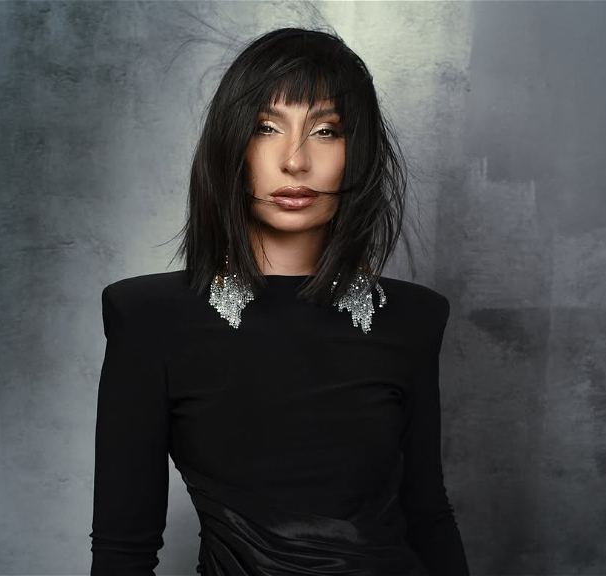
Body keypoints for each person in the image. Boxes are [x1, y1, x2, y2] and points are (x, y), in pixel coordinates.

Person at [89, 27, 470, 576]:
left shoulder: (413, 318)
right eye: (266, 127)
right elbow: (123, 552)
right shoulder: (148, 318)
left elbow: (428, 515)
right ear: (231, 145)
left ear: (357, 152)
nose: (295, 160)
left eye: (326, 130)